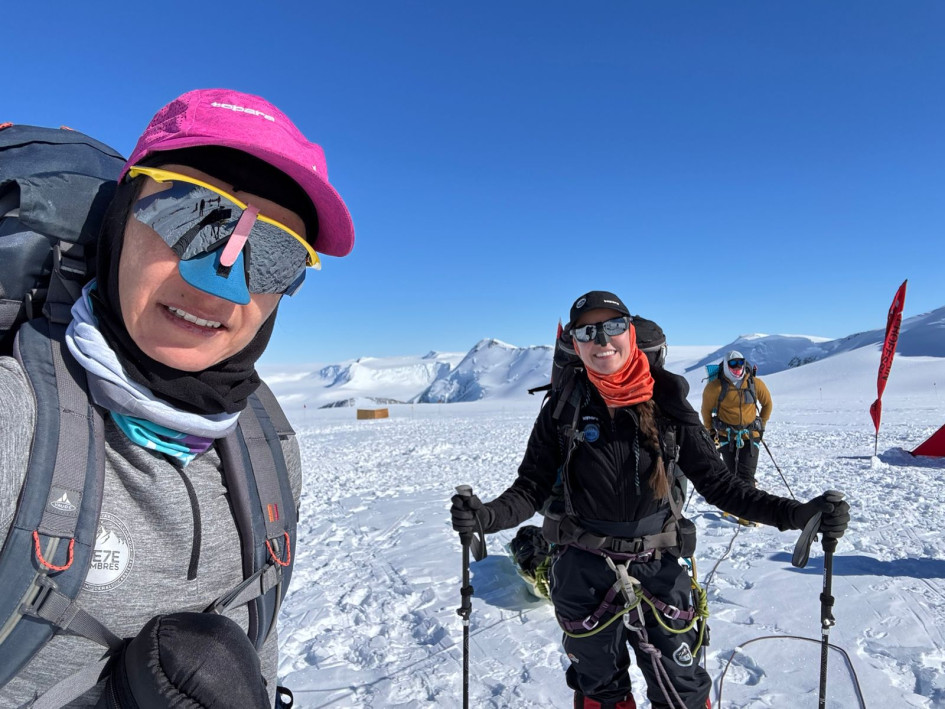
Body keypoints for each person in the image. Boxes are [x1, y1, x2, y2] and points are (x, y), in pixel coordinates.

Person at [0, 88, 354, 707]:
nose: (219, 283)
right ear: (120, 216)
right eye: (187, 213)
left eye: (274, 254)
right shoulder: (20, 421)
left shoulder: (269, 447)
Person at [451, 290, 849, 709]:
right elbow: (531, 487)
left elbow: (720, 484)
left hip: (657, 565)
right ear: (576, 344)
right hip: (582, 569)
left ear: (631, 332)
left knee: (681, 692)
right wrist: (487, 516)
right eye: (586, 331)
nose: (601, 339)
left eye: (613, 326)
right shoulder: (563, 407)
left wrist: (796, 514)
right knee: (599, 689)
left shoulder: (668, 402)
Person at [700, 350, 773, 490]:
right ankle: (737, 500)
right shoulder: (714, 387)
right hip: (726, 436)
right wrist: (710, 431)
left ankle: (747, 502)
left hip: (751, 435)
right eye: (733, 363)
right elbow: (706, 410)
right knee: (731, 474)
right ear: (726, 365)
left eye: (740, 362)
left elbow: (767, 404)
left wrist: (761, 424)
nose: (737, 367)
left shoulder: (755, 384)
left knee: (746, 476)